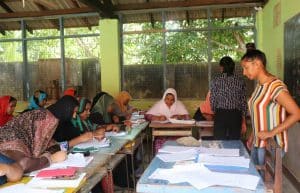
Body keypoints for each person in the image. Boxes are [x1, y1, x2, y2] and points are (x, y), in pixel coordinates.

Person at [241, 49, 300, 168]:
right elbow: (259, 114)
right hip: (258, 142)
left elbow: (296, 113)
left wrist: (271, 133)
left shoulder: (275, 86)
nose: (244, 72)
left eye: (246, 67)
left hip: (271, 145)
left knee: (263, 183)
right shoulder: (260, 85)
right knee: (256, 179)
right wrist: (253, 134)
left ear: (257, 64)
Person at [0, 108, 67, 173]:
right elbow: (23, 165)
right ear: (34, 125)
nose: (47, 134)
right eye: (45, 128)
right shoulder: (11, 135)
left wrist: (46, 153)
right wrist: (51, 159)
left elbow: (55, 146)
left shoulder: (30, 135)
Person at [210, 56, 248, 140]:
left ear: (222, 67)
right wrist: (244, 119)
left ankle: (220, 153)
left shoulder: (215, 80)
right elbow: (243, 102)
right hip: (235, 115)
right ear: (233, 67)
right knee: (234, 141)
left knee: (219, 141)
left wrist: (214, 111)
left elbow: (213, 99)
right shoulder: (240, 81)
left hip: (221, 114)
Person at [146, 88, 190, 152]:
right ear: (164, 98)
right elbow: (147, 116)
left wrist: (179, 116)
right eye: (167, 99)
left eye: (172, 100)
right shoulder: (159, 104)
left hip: (177, 132)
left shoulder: (179, 104)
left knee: (180, 145)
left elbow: (188, 117)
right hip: (162, 133)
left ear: (175, 99)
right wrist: (158, 118)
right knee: (161, 145)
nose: (169, 102)